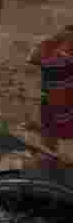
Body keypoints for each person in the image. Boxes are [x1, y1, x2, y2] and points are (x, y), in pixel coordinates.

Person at [28, 25, 73, 168]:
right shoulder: (54, 47)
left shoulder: (63, 55)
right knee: (49, 139)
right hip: (52, 100)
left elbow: (55, 64)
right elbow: (34, 58)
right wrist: (54, 40)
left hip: (66, 101)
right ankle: (50, 169)